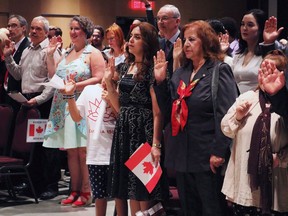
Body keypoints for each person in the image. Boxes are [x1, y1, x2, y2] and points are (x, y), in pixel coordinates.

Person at [153, 20, 239, 216]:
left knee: (212, 209)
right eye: (185, 40)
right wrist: (160, 82)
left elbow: (226, 115)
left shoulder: (219, 70)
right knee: (189, 209)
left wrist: (219, 150)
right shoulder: (181, 73)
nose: (186, 44)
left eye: (192, 39)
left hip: (207, 155)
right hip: (182, 152)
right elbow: (168, 110)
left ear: (206, 42)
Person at [105, 22, 168, 216]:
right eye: (131, 36)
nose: (131, 40)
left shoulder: (152, 70)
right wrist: (108, 81)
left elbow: (158, 112)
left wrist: (156, 144)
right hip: (124, 130)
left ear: (147, 42)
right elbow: (119, 107)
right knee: (129, 189)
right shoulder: (124, 66)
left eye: (137, 37)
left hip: (143, 131)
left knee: (143, 190)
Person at [43, 15, 105, 207]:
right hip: (63, 104)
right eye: (71, 28)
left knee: (83, 151)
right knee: (71, 151)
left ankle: (88, 190)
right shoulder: (67, 53)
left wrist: (76, 86)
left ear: (85, 32)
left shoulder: (92, 53)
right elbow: (53, 75)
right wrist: (49, 55)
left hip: (82, 103)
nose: (73, 32)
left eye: (77, 28)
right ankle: (74, 190)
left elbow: (99, 77)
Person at [221, 50, 288, 215]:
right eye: (263, 69)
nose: (266, 74)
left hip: (276, 187)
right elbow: (226, 128)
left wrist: (281, 159)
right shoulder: (247, 98)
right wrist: (238, 116)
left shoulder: (284, 106)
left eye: (272, 70)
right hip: (245, 186)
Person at [3, 16, 61, 200]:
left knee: (46, 147)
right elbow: (19, 74)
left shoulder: (50, 51)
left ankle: (50, 186)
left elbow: (54, 81)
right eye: (33, 28)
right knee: (32, 147)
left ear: (45, 32)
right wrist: (8, 57)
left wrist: (38, 100)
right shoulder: (27, 50)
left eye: (38, 29)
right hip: (27, 101)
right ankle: (34, 184)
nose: (34, 32)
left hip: (43, 102)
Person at [61, 79, 116, 216]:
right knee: (99, 195)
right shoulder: (90, 90)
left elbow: (122, 115)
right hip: (95, 153)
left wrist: (111, 100)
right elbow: (77, 117)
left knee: (119, 196)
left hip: (116, 152)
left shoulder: (120, 88)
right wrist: (70, 96)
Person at [232, 9, 267, 94]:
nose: (244, 28)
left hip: (257, 102)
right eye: (242, 24)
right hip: (237, 102)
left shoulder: (266, 54)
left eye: (250, 25)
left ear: (260, 28)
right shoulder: (239, 55)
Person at [156, 4, 181, 78]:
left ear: (177, 21)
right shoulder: (158, 43)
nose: (160, 22)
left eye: (165, 18)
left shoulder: (185, 42)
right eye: (158, 19)